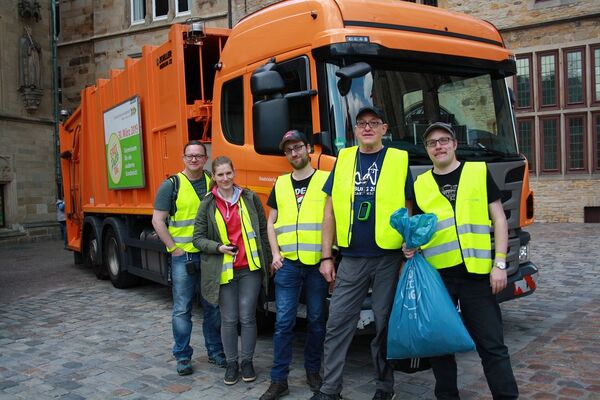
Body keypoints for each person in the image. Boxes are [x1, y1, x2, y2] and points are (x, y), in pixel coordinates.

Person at [405, 122, 518, 399]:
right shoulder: (420, 185)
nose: (439, 146)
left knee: (492, 345)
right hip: (438, 277)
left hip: (477, 275)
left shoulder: (477, 172)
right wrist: (410, 246)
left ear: (455, 144)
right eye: (432, 143)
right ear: (428, 150)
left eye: (444, 140)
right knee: (441, 345)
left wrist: (500, 263)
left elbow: (499, 219)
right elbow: (419, 229)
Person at [312, 106, 413, 400]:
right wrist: (326, 256)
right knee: (338, 323)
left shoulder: (398, 159)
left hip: (387, 258)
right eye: (361, 124)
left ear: (384, 129)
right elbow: (329, 211)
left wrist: (408, 241)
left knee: (384, 325)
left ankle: (384, 388)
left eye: (374, 123)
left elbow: (407, 205)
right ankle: (330, 390)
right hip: (351, 258)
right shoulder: (343, 160)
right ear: (355, 131)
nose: (367, 128)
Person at [260, 131, 330, 400]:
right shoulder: (279, 184)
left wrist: (328, 257)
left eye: (298, 147)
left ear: (308, 149)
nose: (294, 153)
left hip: (316, 265)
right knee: (283, 322)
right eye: (288, 150)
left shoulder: (325, 180)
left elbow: (331, 219)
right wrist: (275, 254)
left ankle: (313, 371)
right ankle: (279, 380)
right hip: (287, 264)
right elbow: (271, 222)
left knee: (316, 321)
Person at [192, 156, 271, 386]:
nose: (225, 178)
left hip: (250, 269)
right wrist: (218, 247)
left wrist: (267, 261)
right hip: (223, 270)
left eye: (228, 173)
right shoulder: (207, 203)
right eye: (220, 175)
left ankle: (247, 362)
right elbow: (197, 239)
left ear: (233, 173)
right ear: (214, 177)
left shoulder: (249, 197)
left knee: (247, 317)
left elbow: (263, 231)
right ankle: (232, 363)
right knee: (229, 319)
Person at [151, 140, 225, 376]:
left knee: (212, 306)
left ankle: (215, 351)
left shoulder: (213, 182)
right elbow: (157, 220)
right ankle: (183, 356)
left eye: (199, 156)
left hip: (209, 256)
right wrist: (174, 248)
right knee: (182, 309)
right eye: (189, 156)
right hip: (184, 257)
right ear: (183, 158)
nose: (194, 159)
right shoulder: (171, 185)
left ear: (205, 159)